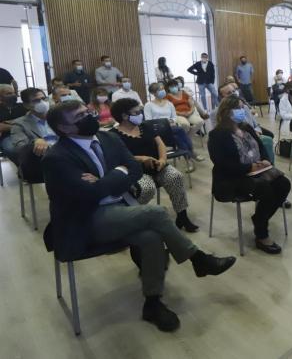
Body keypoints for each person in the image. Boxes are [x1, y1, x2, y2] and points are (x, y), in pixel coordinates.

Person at [42, 100, 235, 332]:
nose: (89, 117)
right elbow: (89, 194)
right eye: (79, 117)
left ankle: (152, 303)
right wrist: (117, 173)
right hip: (85, 220)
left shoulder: (108, 138)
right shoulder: (57, 157)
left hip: (120, 206)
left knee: (151, 237)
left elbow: (134, 170)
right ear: (64, 128)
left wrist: (107, 180)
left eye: (87, 112)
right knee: (157, 212)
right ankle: (198, 259)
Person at [208, 96, 291, 254]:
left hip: (257, 171)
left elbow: (261, 147)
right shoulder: (217, 135)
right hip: (233, 178)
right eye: (238, 108)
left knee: (283, 184)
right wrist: (248, 167)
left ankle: (259, 218)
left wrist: (265, 160)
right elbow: (222, 164)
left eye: (242, 107)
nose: (242, 111)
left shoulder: (246, 127)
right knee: (265, 188)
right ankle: (261, 234)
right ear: (227, 112)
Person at [110, 99, 199, 232]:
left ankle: (182, 216)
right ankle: (136, 218)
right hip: (135, 170)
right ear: (124, 116)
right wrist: (141, 159)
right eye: (136, 112)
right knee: (147, 188)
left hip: (157, 165)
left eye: (140, 111)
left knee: (175, 177)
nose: (140, 114)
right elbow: (118, 157)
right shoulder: (113, 135)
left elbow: (160, 144)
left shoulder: (145, 126)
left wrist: (162, 159)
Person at [144, 83, 201, 170]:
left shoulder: (169, 103)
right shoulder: (148, 105)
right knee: (180, 130)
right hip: (157, 131)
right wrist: (165, 123)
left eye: (163, 89)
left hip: (171, 129)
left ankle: (189, 161)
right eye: (159, 90)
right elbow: (148, 121)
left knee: (177, 137)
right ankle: (192, 152)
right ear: (153, 93)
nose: (163, 91)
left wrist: (171, 121)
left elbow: (174, 117)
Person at [10, 88, 57, 158]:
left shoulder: (58, 116)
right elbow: (20, 147)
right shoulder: (19, 123)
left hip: (65, 153)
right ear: (26, 105)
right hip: (42, 158)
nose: (42, 102)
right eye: (36, 101)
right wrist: (34, 142)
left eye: (44, 99)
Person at [0, 84, 25, 162]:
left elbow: (29, 120)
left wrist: (10, 123)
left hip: (25, 133)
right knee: (12, 149)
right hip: (7, 136)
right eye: (8, 93)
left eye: (13, 93)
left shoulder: (22, 106)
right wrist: (19, 123)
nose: (13, 95)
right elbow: (1, 127)